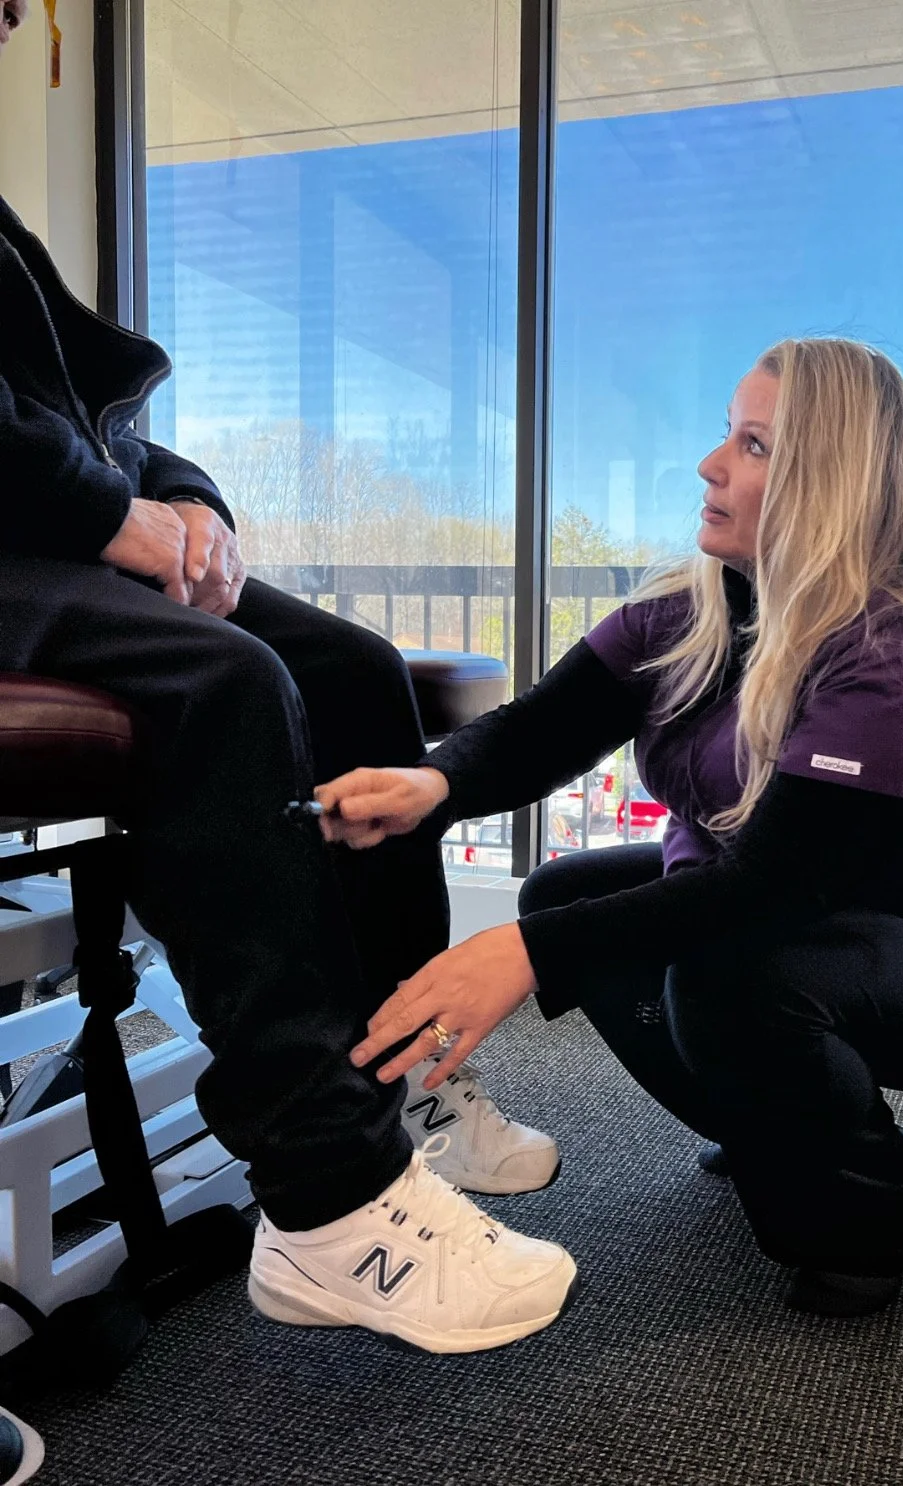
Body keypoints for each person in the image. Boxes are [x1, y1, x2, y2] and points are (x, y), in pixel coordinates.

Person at [0, 0, 575, 1355]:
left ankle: (402, 1074)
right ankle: (330, 1197)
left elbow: (100, 406)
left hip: (56, 527)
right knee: (229, 683)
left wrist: (196, 512)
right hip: (24, 544)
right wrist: (109, 519)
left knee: (357, 672)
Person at [316, 337, 903, 1318]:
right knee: (566, 895)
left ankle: (868, 1216)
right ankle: (763, 1109)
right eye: (725, 434)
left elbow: (774, 886)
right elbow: (545, 726)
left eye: (752, 445)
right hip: (789, 917)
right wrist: (431, 784)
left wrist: (524, 955)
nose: (711, 465)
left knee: (724, 971)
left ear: (823, 480)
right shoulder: (691, 609)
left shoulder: (890, 647)